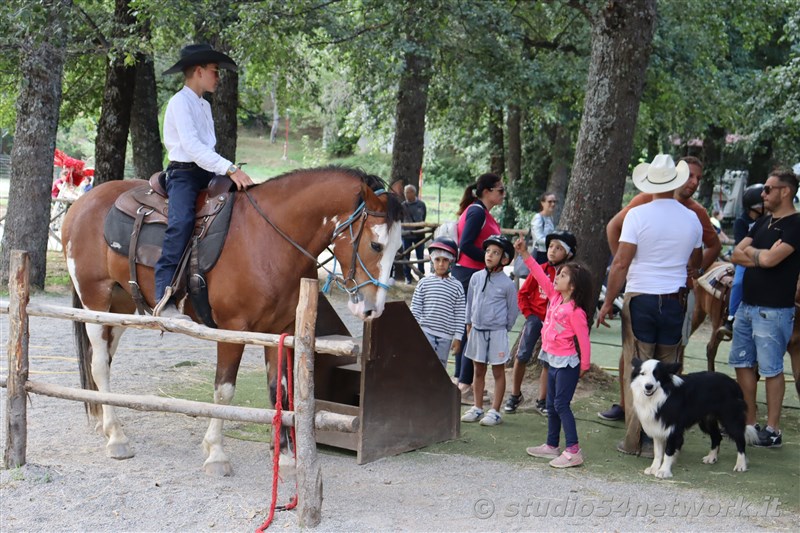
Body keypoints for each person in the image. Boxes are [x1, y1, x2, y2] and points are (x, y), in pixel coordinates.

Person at [597, 155, 720, 423]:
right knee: (657, 363)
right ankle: (652, 421)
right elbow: (699, 255)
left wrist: (609, 300)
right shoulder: (675, 212)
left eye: (698, 177)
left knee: (650, 362)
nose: (695, 182)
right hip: (667, 295)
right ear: (676, 178)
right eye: (691, 176)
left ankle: (642, 432)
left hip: (656, 294)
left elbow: (620, 262)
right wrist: (692, 272)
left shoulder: (679, 212)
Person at [153, 44, 254, 320]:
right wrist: (231, 168)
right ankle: (164, 296)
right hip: (184, 174)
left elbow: (207, 148)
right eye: (214, 71)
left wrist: (226, 172)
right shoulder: (178, 102)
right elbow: (193, 147)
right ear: (198, 72)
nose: (218, 77)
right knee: (182, 222)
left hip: (206, 172)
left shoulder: (204, 106)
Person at [729, 168, 800, 448]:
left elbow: (771, 260)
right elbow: (736, 253)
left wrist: (755, 255)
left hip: (775, 310)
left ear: (785, 191)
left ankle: (773, 429)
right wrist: (762, 256)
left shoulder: (796, 225)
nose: (763, 194)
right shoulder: (763, 223)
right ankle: (749, 423)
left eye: (769, 189)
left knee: (771, 368)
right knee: (742, 363)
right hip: (747, 307)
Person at [516, 238, 593, 468]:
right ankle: (551, 445)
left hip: (567, 365)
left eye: (562, 276)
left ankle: (573, 450)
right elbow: (540, 274)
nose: (556, 278)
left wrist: (584, 366)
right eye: (557, 275)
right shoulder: (555, 297)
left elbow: (584, 340)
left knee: (561, 405)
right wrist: (524, 254)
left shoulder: (575, 311)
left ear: (573, 286)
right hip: (551, 359)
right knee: (551, 404)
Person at [504, 230, 577, 416]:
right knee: (522, 355)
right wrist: (529, 315)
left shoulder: (571, 276)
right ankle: (514, 395)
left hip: (555, 322)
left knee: (547, 361)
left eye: (559, 248)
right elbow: (523, 293)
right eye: (551, 246)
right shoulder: (542, 269)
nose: (552, 251)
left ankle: (542, 400)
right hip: (536, 318)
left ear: (569, 254)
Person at [452, 173, 506, 403]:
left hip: (474, 274)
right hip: (469, 274)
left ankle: (462, 381)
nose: (503, 194)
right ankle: (464, 383)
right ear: (487, 191)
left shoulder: (482, 212)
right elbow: (465, 245)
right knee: (470, 328)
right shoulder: (476, 211)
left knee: (469, 327)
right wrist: (491, 260)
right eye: (500, 190)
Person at [460, 235, 518, 427]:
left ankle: (495, 411)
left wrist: (503, 329)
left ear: (504, 259)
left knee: (498, 371)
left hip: (497, 333)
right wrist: (469, 324)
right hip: (476, 330)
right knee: (478, 370)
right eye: (487, 251)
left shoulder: (508, 284)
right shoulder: (476, 278)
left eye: (495, 252)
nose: (489, 255)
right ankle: (477, 407)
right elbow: (470, 303)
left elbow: (512, 311)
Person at [410, 237, 465, 367]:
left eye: (445, 260)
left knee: (439, 369)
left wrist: (458, 337)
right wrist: (414, 331)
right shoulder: (424, 283)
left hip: (445, 336)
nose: (441, 264)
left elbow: (460, 314)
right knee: (422, 365)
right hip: (425, 331)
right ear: (431, 260)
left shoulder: (457, 286)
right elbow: (416, 309)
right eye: (437, 259)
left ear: (451, 262)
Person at [718, 184, 764, 337]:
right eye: (761, 203)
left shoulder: (766, 220)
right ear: (754, 206)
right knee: (738, 282)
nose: (765, 206)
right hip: (744, 259)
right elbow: (741, 246)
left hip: (762, 257)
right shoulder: (741, 222)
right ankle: (731, 317)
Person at [401, 184, 427, 283]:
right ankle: (408, 277)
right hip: (406, 235)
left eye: (407, 192)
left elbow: (423, 216)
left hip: (419, 235)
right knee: (406, 257)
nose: (406, 194)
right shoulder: (403, 206)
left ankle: (421, 277)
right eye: (405, 192)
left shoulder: (421, 204)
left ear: (413, 193)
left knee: (420, 256)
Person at [531, 192, 557, 264]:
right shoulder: (538, 218)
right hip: (540, 254)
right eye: (550, 202)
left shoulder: (550, 218)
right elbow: (539, 239)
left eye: (554, 202)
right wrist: (554, 242)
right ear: (542, 203)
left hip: (549, 253)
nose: (553, 204)